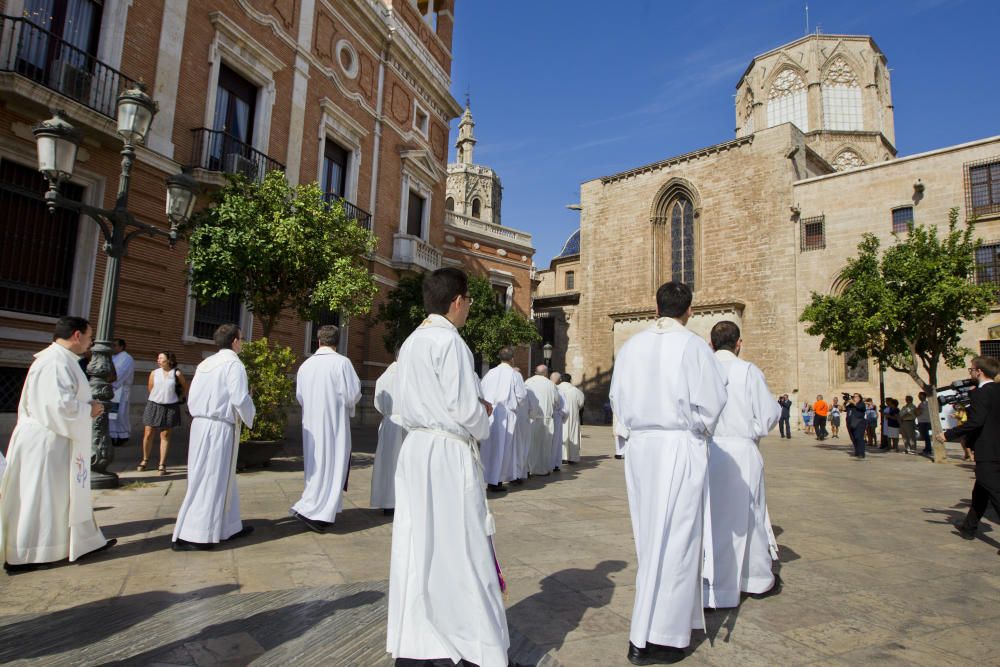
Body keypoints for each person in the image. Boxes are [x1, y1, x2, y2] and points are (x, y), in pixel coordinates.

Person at [386, 267, 511, 667]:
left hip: (416, 449)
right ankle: (478, 648)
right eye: (470, 302)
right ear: (457, 302)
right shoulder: (450, 342)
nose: (470, 309)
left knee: (419, 545)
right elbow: (463, 409)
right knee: (464, 546)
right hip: (447, 452)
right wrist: (483, 417)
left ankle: (419, 643)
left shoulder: (411, 342)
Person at [609, 282, 727, 664]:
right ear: (689, 310)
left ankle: (666, 623)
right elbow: (712, 402)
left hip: (642, 449)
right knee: (678, 539)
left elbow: (616, 398)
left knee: (650, 538)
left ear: (655, 307)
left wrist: (626, 437)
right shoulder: (693, 346)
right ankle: (659, 637)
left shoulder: (631, 347)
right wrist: (699, 431)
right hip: (679, 445)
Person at [1, 316, 116, 572]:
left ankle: (70, 544)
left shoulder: (62, 359)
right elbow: (57, 406)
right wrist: (90, 409)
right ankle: (29, 554)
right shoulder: (54, 362)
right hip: (45, 443)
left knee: (58, 498)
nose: (90, 343)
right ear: (77, 335)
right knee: (39, 498)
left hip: (56, 440)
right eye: (89, 337)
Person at [703, 321, 782, 609]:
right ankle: (754, 579)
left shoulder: (702, 370)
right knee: (750, 514)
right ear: (739, 343)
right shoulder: (748, 371)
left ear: (711, 344)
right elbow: (768, 415)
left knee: (710, 517)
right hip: (742, 449)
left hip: (707, 450)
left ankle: (710, 584)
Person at [171, 324, 256, 551]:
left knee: (215, 477)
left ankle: (228, 526)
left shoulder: (205, 363)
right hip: (219, 426)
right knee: (212, 478)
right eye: (242, 339)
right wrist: (251, 413)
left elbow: (192, 396)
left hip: (200, 424)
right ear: (235, 341)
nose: (242, 343)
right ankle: (198, 534)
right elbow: (239, 398)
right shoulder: (233, 364)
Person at [291, 325, 361, 533]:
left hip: (311, 423)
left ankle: (314, 505)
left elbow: (300, 396)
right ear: (336, 342)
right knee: (333, 464)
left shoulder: (306, 365)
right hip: (334, 424)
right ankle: (319, 514)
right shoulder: (342, 363)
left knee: (315, 466)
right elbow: (352, 394)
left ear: (318, 341)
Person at [937, 356, 1000, 550]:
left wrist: (949, 434)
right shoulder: (995, 390)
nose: (970, 373)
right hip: (996, 449)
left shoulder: (981, 394)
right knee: (980, 491)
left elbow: (976, 421)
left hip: (988, 451)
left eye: (971, 369)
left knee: (996, 493)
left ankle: (969, 527)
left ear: (979, 372)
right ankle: (969, 527)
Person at [479, 346, 527, 492]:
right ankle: (496, 481)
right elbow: (522, 396)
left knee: (489, 448)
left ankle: (487, 478)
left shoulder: (490, 373)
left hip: (490, 414)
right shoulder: (514, 374)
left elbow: (481, 391)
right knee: (503, 449)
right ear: (512, 359)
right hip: (506, 415)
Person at [140, 351, 187, 475]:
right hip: (154, 405)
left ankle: (162, 464)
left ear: (169, 360)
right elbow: (150, 388)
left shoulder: (176, 373)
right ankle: (145, 459)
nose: (158, 360)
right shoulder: (154, 373)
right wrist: (158, 397)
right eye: (158, 358)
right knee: (148, 433)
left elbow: (184, 387)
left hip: (170, 406)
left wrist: (177, 398)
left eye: (161, 358)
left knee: (165, 435)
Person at [371, 360, 406, 514]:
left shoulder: (382, 378)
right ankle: (400, 501)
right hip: (405, 424)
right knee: (402, 464)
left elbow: (377, 404)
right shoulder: (408, 375)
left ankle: (386, 502)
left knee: (386, 464)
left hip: (388, 422)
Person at [524, 364, 560, 476]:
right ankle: (542, 470)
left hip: (530, 419)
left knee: (530, 445)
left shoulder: (528, 382)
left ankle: (528, 469)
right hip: (546, 419)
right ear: (546, 373)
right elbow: (556, 401)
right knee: (544, 446)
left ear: (536, 371)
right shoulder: (550, 384)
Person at [109, 338, 135, 447]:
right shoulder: (113, 357)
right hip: (112, 388)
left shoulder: (127, 358)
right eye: (112, 345)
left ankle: (123, 436)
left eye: (115, 345)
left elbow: (121, 373)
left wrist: (112, 382)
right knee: (111, 414)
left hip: (120, 390)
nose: (113, 348)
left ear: (122, 347)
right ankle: (113, 435)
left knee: (120, 413)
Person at [558, 373, 585, 463]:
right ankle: (572, 458)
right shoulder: (576, 391)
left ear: (561, 379)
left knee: (560, 436)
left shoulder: (556, 388)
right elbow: (581, 404)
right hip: (572, 417)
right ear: (570, 380)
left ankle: (561, 457)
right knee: (572, 435)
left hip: (560, 417)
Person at [549, 372, 566, 472]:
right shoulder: (559, 391)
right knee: (555, 442)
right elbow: (565, 409)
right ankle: (554, 464)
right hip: (556, 417)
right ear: (559, 380)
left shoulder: (544, 387)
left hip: (543, 417)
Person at [845, 393, 867, 459]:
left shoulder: (861, 404)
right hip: (850, 423)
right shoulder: (851, 405)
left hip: (859, 422)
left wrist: (853, 403)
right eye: (853, 397)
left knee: (859, 437)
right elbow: (844, 409)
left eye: (856, 397)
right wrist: (846, 402)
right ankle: (857, 451)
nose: (854, 398)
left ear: (860, 398)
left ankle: (861, 453)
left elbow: (860, 407)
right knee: (853, 438)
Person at [917, 391, 934, 457]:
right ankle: (927, 448)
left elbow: (918, 412)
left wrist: (917, 410)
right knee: (925, 436)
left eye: (920, 396)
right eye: (919, 396)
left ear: (924, 396)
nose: (919, 397)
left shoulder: (925, 404)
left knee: (926, 436)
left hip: (925, 421)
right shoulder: (921, 404)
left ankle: (928, 450)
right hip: (921, 421)